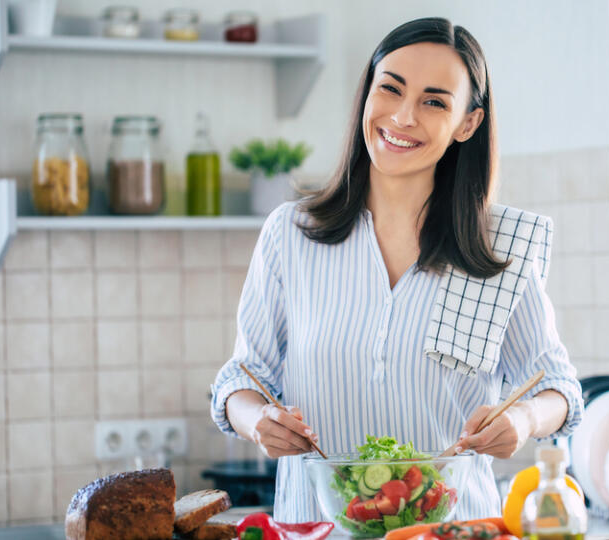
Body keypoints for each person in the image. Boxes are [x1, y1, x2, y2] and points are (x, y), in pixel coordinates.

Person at [211, 16, 583, 522]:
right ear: (368, 94)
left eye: (434, 101)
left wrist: (523, 417)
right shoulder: (290, 234)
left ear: (467, 124)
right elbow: (241, 376)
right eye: (390, 89)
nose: (403, 116)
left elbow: (557, 385)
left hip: (453, 530)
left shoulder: (500, 249)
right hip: (314, 528)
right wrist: (257, 420)